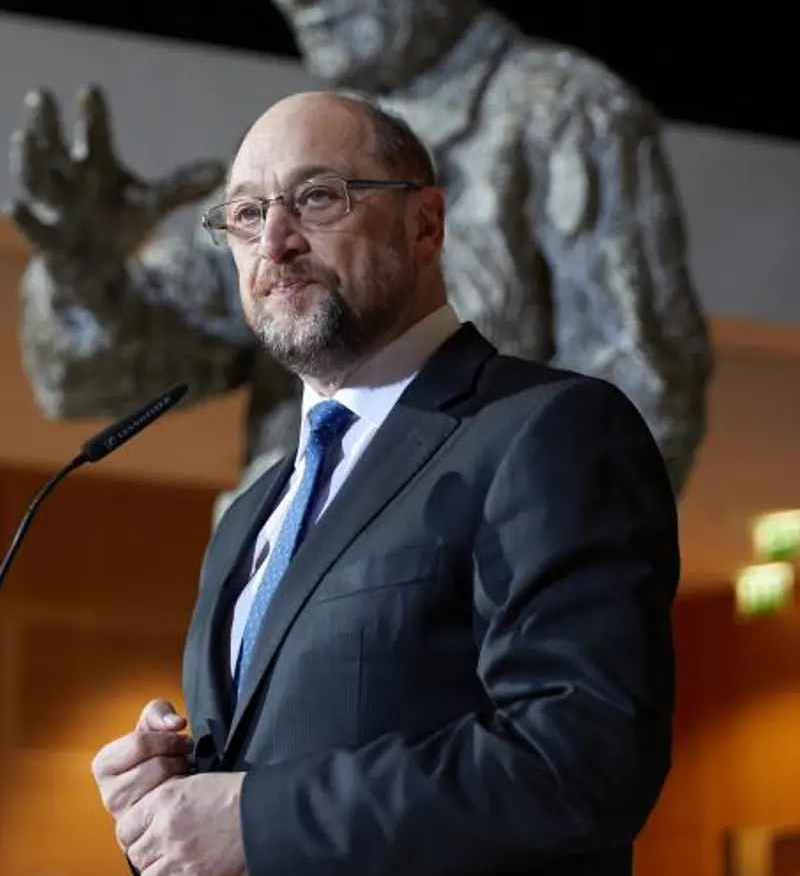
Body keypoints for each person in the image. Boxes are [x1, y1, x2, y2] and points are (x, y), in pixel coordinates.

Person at [7, 0, 711, 513]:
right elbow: (107, 376)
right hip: (287, 591)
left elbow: (639, 405)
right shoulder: (289, 156)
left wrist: (502, 575)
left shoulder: (564, 117)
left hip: (468, 592)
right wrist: (86, 267)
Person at [89, 92, 678, 876]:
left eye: (317, 197)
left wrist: (254, 817)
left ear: (425, 224)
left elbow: (579, 757)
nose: (275, 240)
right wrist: (166, 808)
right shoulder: (253, 516)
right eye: (245, 213)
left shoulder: (545, 433)